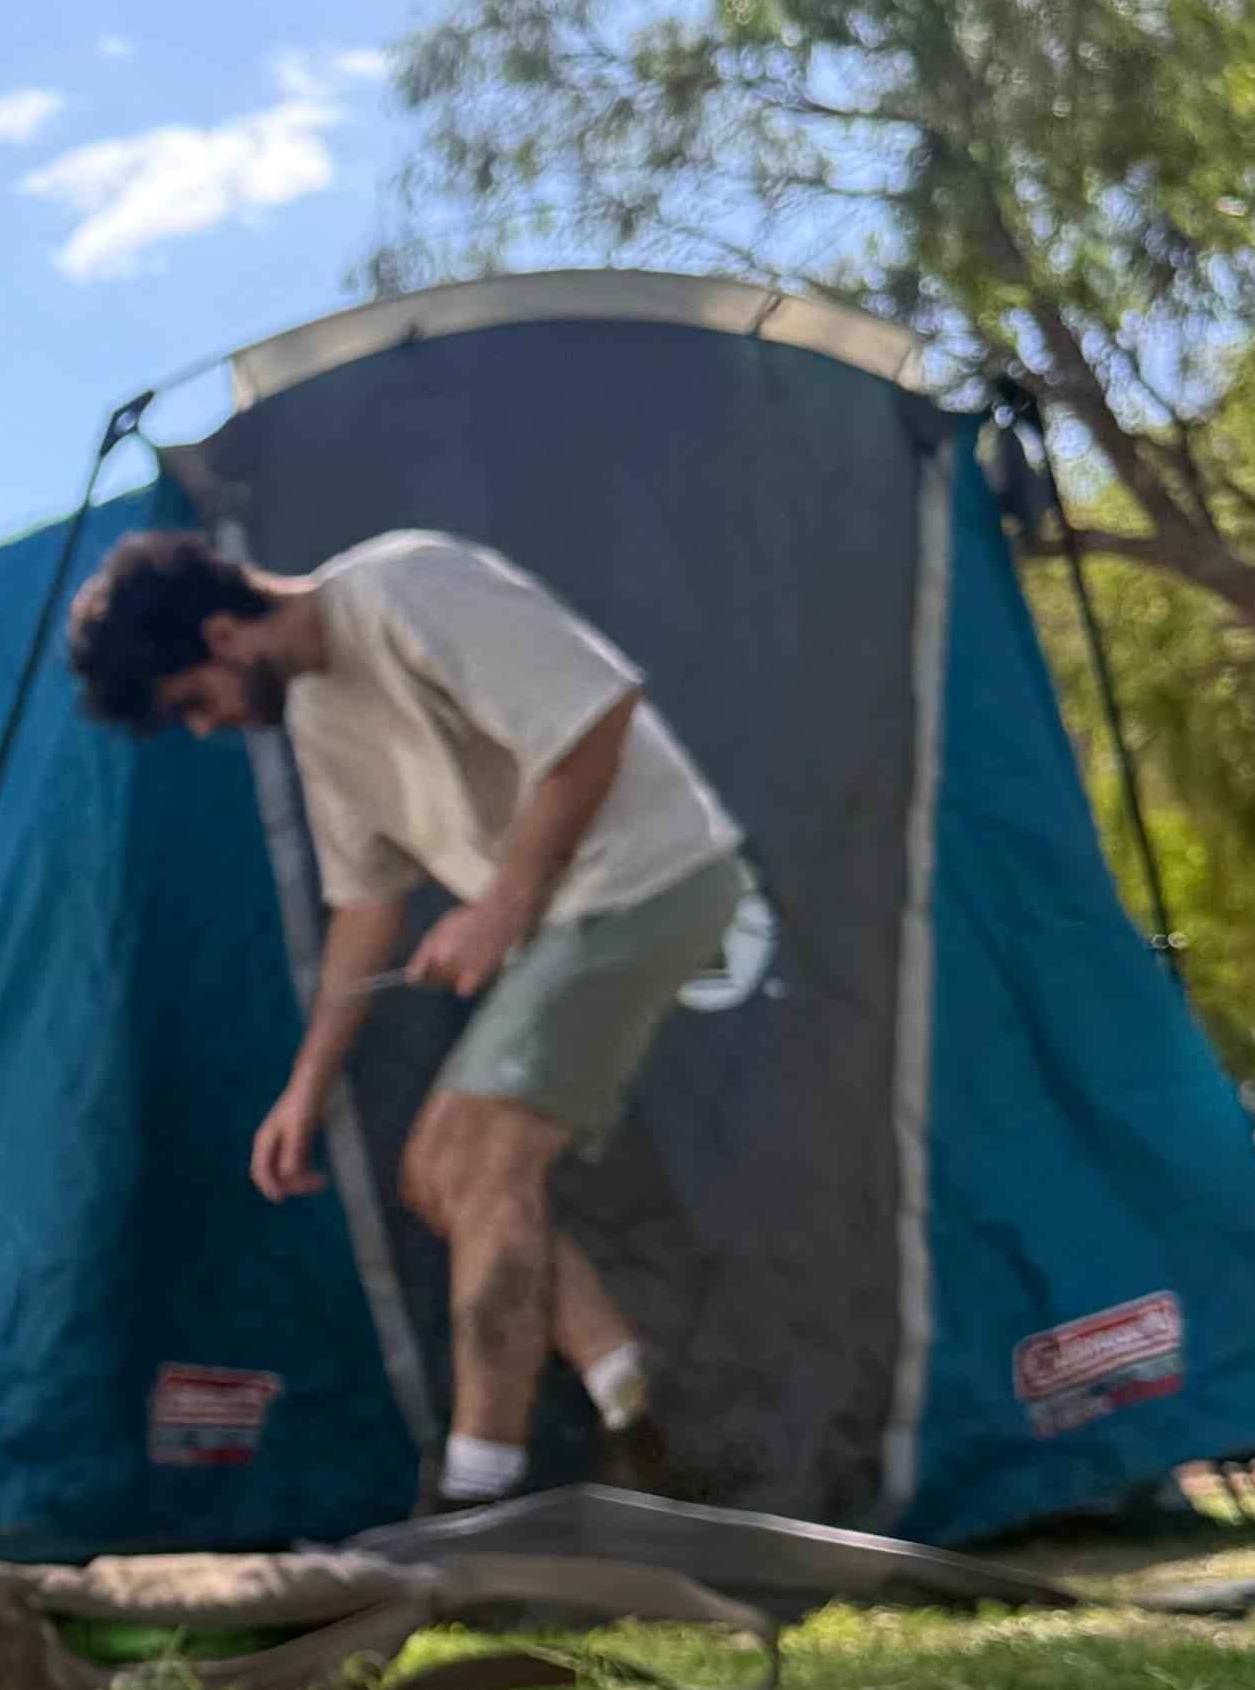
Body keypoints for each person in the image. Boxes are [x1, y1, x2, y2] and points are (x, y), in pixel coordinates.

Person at [67, 522, 753, 1505]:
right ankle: (640, 1408)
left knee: (480, 1156)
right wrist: (304, 1089)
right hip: (567, 913)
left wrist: (501, 908)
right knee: (437, 1173)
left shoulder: (405, 585)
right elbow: (365, 908)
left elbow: (596, 715)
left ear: (222, 634)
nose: (209, 726)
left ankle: (478, 1498)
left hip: (651, 874)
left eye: (195, 702)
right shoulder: (314, 717)